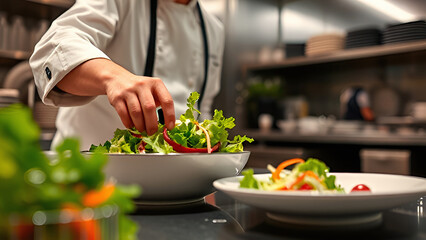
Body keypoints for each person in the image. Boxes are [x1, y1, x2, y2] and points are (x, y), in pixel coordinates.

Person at [29, 0, 225, 150]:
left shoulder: (213, 29)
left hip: (170, 185)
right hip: (88, 179)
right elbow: (53, 49)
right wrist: (114, 78)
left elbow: (203, 107)